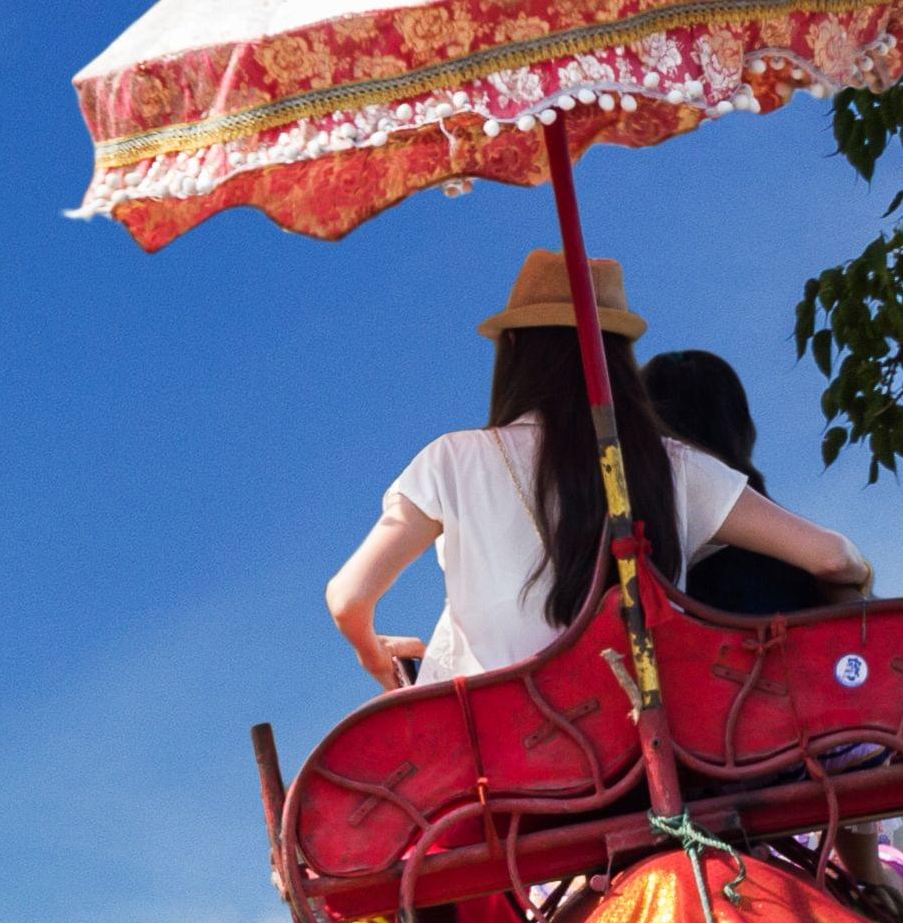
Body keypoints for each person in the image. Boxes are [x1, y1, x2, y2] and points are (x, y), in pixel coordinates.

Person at [324, 255, 867, 690]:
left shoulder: (451, 458)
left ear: (514, 347)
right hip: (642, 758)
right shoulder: (671, 465)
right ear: (617, 359)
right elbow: (832, 557)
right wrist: (856, 586)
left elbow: (348, 599)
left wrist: (376, 658)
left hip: (499, 766)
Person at [633, 347, 850, 620]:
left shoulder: (643, 526)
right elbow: (834, 560)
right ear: (742, 426)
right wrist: (861, 571)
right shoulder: (793, 548)